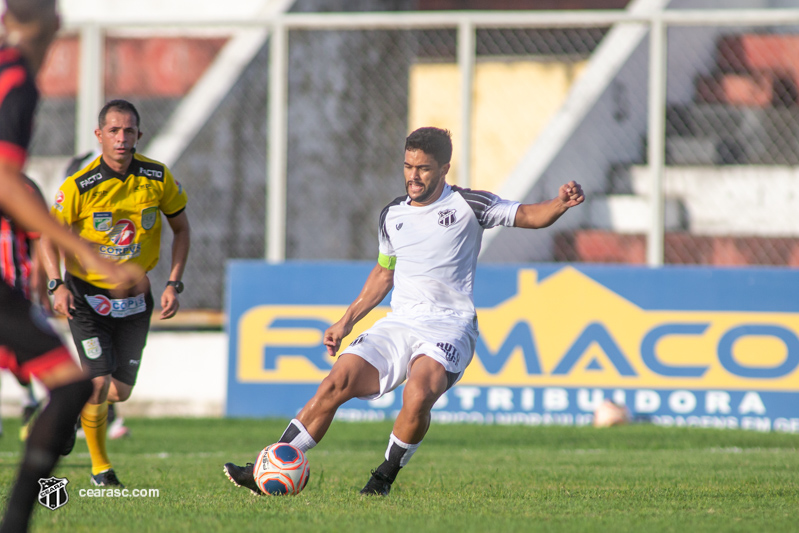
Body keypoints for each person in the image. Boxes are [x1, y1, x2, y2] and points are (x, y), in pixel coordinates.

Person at [223, 126, 585, 496]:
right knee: (335, 383)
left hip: (449, 325)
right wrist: (345, 321)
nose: (414, 175)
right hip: (399, 322)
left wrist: (560, 203)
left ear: (444, 169)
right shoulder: (392, 215)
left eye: (424, 168)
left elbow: (529, 215)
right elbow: (383, 274)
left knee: (418, 393)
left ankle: (383, 478)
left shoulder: (469, 205)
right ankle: (268, 465)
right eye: (408, 166)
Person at [0, 1, 141, 532]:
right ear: (56, 21)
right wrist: (82, 251)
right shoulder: (15, 76)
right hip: (66, 289)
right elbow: (7, 182)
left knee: (68, 386)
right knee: (69, 386)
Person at [42, 98, 191, 488]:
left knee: (119, 393)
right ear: (99, 135)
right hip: (86, 297)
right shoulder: (79, 186)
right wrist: (55, 284)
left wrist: (174, 282)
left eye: (128, 131)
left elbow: (182, 230)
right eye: (113, 131)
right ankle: (101, 470)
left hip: (136, 298)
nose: (121, 138)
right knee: (98, 382)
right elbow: (47, 238)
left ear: (139, 135)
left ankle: (67, 407)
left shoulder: (158, 178)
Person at [0, 175, 51, 441]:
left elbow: (39, 237)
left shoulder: (23, 187)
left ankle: (32, 398)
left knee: (21, 352)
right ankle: (29, 398)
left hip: (14, 288)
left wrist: (41, 285)